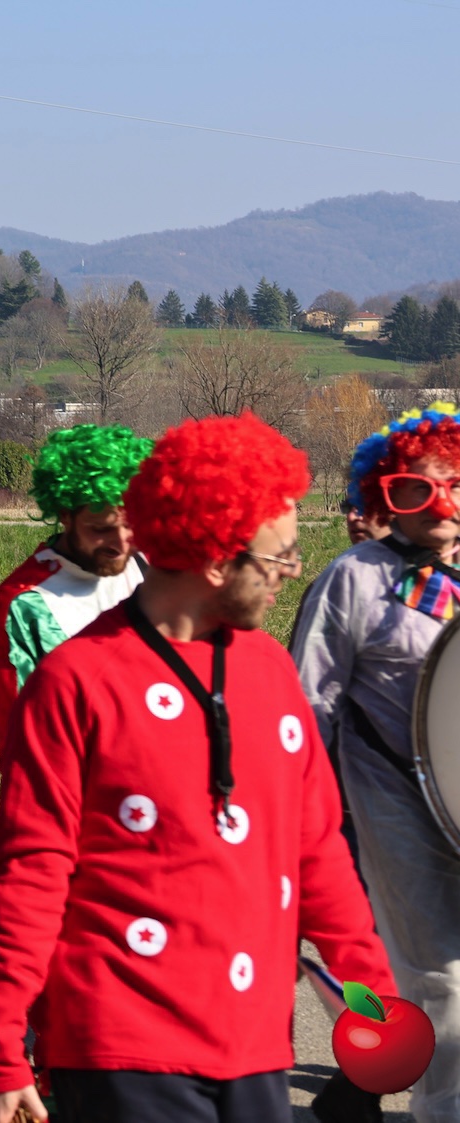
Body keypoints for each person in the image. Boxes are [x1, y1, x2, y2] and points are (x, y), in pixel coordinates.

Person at [0, 413, 396, 1123]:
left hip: (255, 1039)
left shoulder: (271, 671)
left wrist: (374, 1001)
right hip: (120, 1042)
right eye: (279, 557)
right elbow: (32, 872)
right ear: (218, 560)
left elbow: (316, 852)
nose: (290, 573)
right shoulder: (76, 680)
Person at [291, 400, 460, 1123]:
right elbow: (309, 703)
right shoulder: (354, 577)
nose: (441, 502)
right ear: (388, 494)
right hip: (391, 797)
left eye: (454, 484)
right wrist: (309, 821)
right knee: (442, 972)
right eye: (419, 487)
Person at [0, 424, 152, 725]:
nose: (121, 544)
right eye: (101, 529)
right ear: (65, 514)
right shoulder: (19, 607)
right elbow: (24, 733)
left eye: (131, 525)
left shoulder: (151, 566)